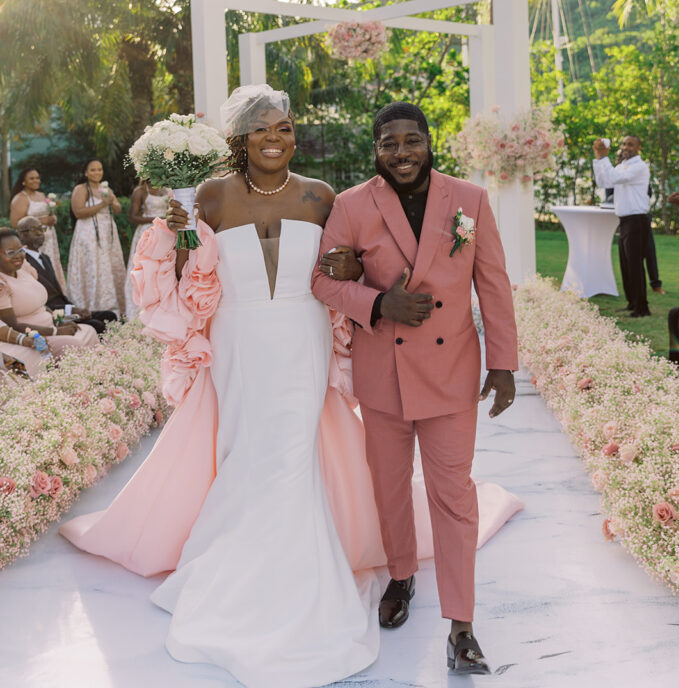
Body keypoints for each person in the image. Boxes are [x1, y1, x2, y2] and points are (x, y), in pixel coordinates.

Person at [60, 87, 522, 686]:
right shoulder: (209, 196)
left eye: (284, 128)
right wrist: (174, 232)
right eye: (262, 130)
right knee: (246, 454)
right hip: (240, 343)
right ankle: (241, 569)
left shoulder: (321, 196)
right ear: (240, 140)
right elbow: (187, 273)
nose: (275, 138)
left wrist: (358, 276)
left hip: (304, 342)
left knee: (294, 456)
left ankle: (398, 602)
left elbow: (343, 265)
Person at [311, 101, 518, 676]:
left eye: (411, 141)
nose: (401, 153)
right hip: (383, 375)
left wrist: (503, 364)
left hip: (451, 373)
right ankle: (401, 574)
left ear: (429, 141)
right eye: (388, 144)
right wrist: (378, 302)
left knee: (454, 495)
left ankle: (462, 626)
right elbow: (321, 279)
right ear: (375, 150)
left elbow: (493, 284)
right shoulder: (352, 205)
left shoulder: (469, 201)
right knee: (391, 487)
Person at [0, 227, 98, 378]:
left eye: (20, 250)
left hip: (50, 327)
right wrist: (55, 331)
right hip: (32, 334)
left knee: (88, 331)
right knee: (72, 344)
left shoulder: (23, 270)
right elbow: (12, 326)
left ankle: (98, 377)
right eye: (10, 252)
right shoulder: (2, 284)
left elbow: (41, 305)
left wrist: (60, 321)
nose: (18, 256)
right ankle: (72, 386)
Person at [17, 217, 116, 335]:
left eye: (41, 229)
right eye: (34, 229)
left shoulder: (45, 258)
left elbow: (58, 294)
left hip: (64, 308)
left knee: (110, 316)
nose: (40, 233)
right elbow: (38, 301)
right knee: (97, 325)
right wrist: (70, 310)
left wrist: (73, 308)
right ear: (21, 235)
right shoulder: (22, 263)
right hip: (49, 314)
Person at [593, 135, 651, 317]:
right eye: (624, 144)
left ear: (638, 147)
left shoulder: (640, 167)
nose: (626, 147)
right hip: (625, 220)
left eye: (630, 144)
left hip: (637, 220)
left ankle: (642, 307)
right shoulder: (622, 166)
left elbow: (614, 177)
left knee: (635, 264)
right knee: (625, 264)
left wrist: (604, 158)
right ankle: (632, 302)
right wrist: (598, 158)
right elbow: (603, 182)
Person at [67, 159, 126, 317]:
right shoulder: (80, 189)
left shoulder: (105, 188)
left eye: (99, 169)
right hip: (88, 234)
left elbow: (118, 209)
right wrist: (102, 204)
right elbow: (78, 212)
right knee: (92, 265)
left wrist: (112, 202)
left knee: (109, 266)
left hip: (107, 232)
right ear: (86, 173)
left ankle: (113, 308)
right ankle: (89, 307)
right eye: (93, 170)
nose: (97, 173)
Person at [9, 167, 67, 292]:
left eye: (37, 178)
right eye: (31, 178)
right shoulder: (20, 198)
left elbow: (46, 214)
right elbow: (15, 222)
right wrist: (42, 222)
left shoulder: (41, 195)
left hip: (49, 239)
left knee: (51, 265)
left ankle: (58, 295)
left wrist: (53, 218)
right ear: (23, 181)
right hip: (32, 242)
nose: (36, 180)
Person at [124, 181, 168, 319]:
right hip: (147, 233)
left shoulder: (168, 188)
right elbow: (133, 216)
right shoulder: (141, 191)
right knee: (143, 270)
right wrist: (157, 219)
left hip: (166, 233)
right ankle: (138, 310)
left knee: (162, 271)